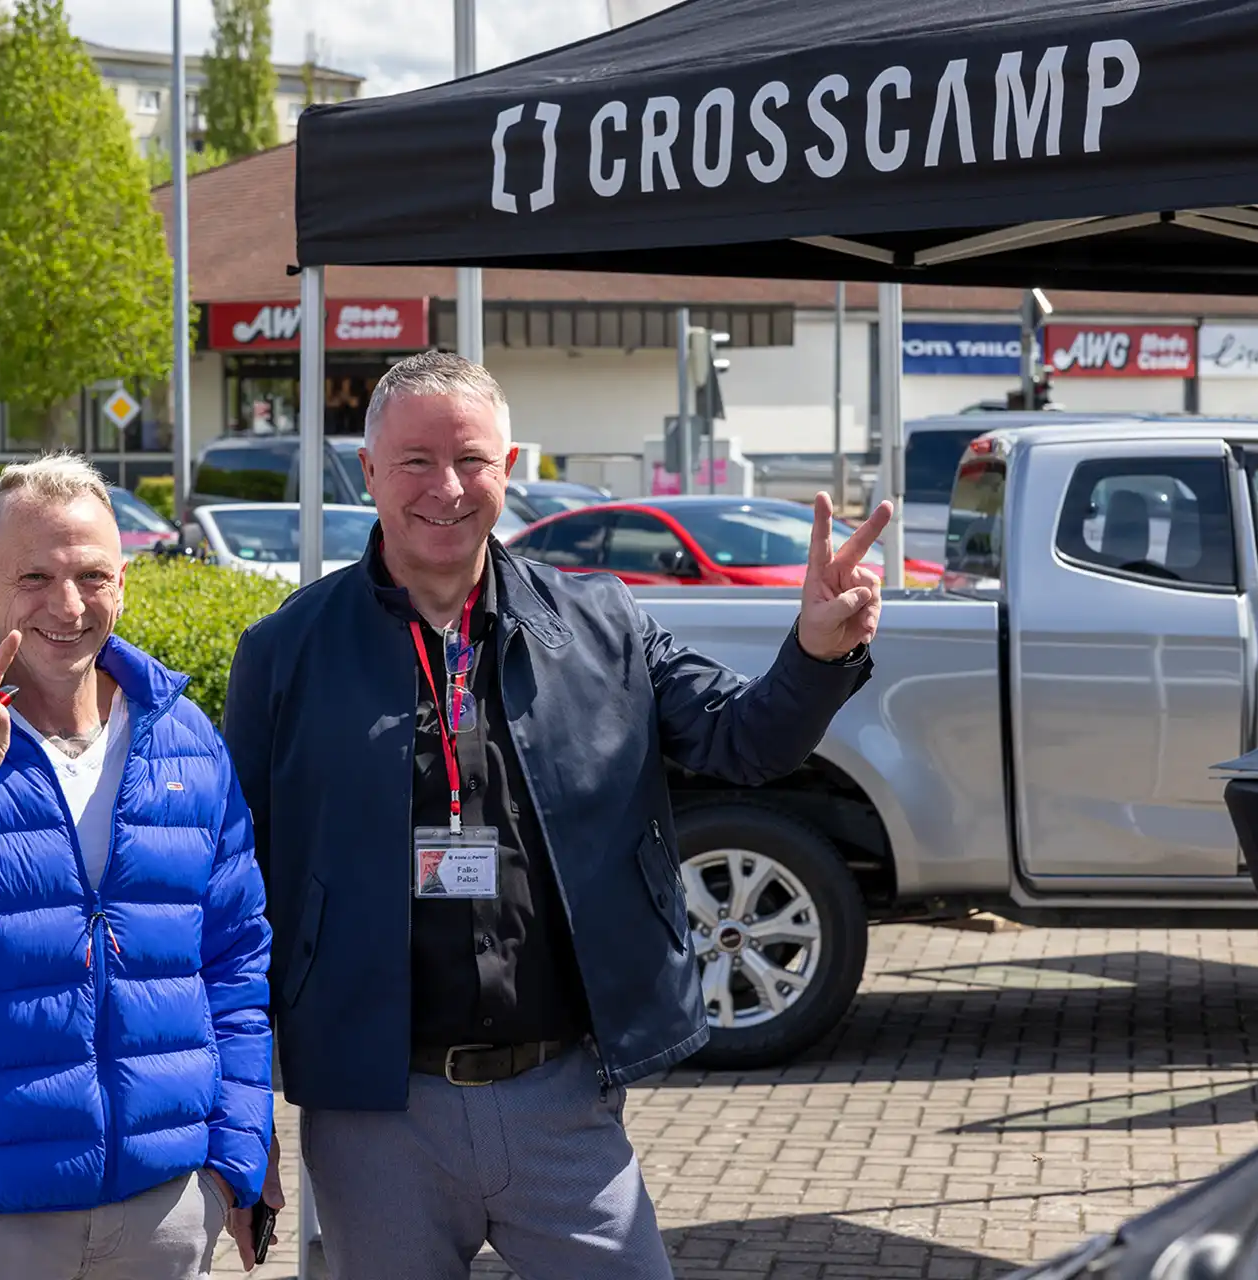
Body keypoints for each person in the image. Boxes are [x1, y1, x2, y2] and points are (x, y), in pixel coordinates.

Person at [223, 350, 889, 1280]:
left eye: (472, 460)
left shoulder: (601, 622)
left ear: (509, 467)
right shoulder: (285, 651)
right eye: (415, 461)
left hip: (562, 1099)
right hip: (372, 1115)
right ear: (368, 471)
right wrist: (241, 1117)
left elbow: (740, 739)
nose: (446, 488)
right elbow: (237, 896)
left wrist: (815, 654)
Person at [0, 453, 277, 1279]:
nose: (67, 606)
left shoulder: (187, 741)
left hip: (164, 1210)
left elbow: (235, 959)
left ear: (123, 582)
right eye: (34, 577)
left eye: (91, 575)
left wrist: (232, 1157)